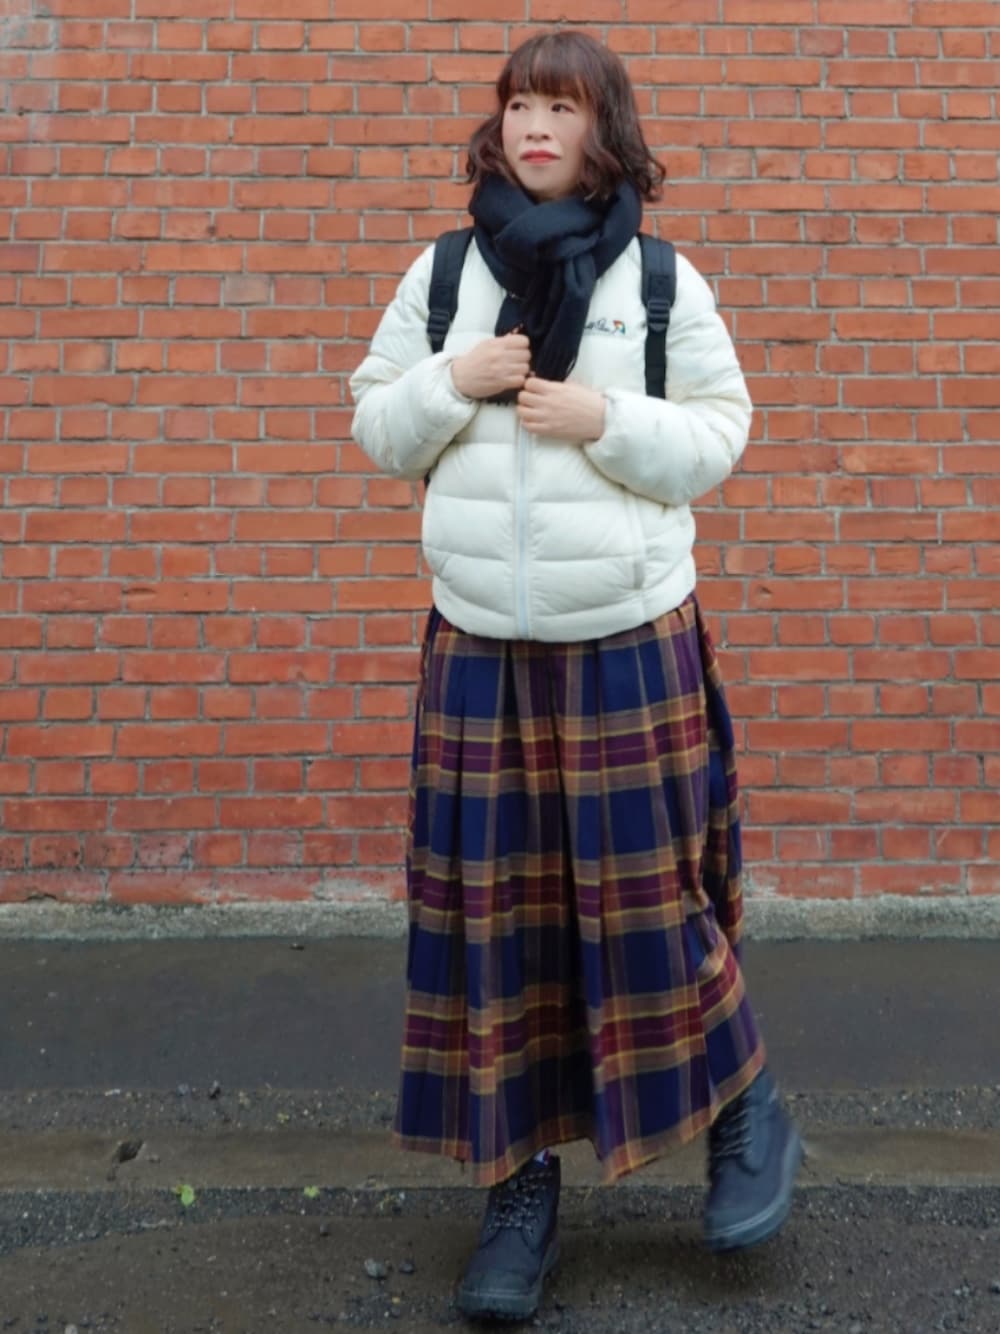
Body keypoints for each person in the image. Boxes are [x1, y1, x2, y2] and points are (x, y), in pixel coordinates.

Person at [349, 28, 803, 1323]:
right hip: (480, 647)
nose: (536, 127)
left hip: (626, 640)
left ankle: (746, 1104)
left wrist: (603, 420)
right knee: (496, 925)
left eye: (561, 106)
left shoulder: (656, 279)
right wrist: (456, 379)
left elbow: (722, 430)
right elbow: (376, 422)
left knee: (652, 900)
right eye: (519, 106)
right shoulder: (447, 273)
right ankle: (518, 1190)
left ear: (605, 128)